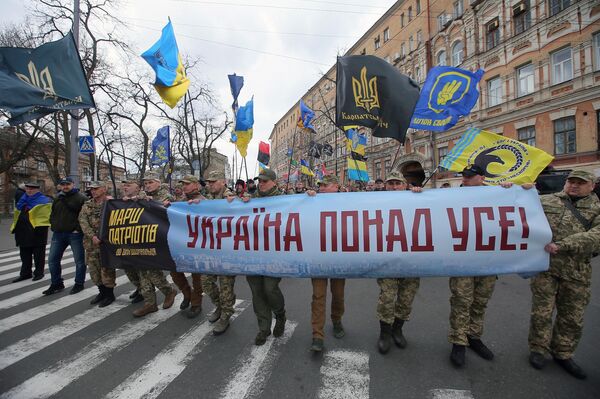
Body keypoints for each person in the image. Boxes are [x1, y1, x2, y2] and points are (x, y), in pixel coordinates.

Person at [528, 169, 600, 379]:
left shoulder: (596, 208)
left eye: (580, 182)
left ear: (592, 185)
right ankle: (538, 349)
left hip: (577, 271)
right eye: (571, 181)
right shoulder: (547, 200)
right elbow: (519, 210)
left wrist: (562, 245)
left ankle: (563, 353)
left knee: (572, 316)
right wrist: (521, 190)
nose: (574, 185)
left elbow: (596, 236)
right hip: (546, 268)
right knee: (541, 312)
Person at [447, 164, 521, 367]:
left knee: (480, 302)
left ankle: (474, 337)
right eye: (463, 177)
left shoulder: (498, 193)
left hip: (488, 261)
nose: (464, 180)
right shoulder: (452, 196)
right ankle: (458, 342)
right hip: (463, 260)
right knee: (461, 301)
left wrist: (516, 189)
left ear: (481, 178)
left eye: (469, 177)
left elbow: (524, 201)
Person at [376, 171, 423, 354]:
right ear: (386, 186)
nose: (394, 187)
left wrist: (421, 193)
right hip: (388, 260)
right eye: (391, 184)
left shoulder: (416, 199)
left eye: (398, 183)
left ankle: (398, 330)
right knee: (387, 299)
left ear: (405, 185)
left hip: (412, 261)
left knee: (406, 299)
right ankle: (384, 333)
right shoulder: (376, 203)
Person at [241, 168, 287, 345]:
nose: (261, 184)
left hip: (274, 253)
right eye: (259, 181)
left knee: (270, 288)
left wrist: (309, 194)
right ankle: (263, 328)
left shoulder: (286, 198)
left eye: (265, 181)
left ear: (274, 182)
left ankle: (280, 314)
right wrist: (234, 199)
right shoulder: (250, 200)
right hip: (252, 253)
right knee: (257, 291)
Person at [305, 175, 346, 352]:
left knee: (338, 294)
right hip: (319, 257)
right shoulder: (312, 201)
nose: (321, 188)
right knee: (318, 296)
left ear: (336, 187)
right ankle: (317, 335)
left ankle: (337, 320)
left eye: (325, 185)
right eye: (320, 185)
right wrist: (305, 197)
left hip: (339, 257)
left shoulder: (348, 202)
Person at [194, 170, 237, 334]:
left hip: (227, 250)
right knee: (206, 282)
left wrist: (237, 202)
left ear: (223, 181)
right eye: (208, 182)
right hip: (210, 249)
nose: (210, 184)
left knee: (225, 285)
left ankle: (226, 315)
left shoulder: (231, 197)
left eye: (213, 181)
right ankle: (219, 307)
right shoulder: (208, 199)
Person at [133, 171, 178, 317]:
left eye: (150, 182)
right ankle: (150, 303)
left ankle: (168, 290)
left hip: (159, 238)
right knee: (142, 270)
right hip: (144, 237)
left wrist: (153, 202)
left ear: (158, 182)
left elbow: (168, 211)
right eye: (145, 183)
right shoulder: (143, 196)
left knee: (151, 269)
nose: (147, 186)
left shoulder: (166, 196)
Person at [164, 175, 205, 318]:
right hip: (180, 243)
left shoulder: (204, 202)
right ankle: (186, 293)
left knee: (197, 277)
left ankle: (196, 303)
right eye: (183, 184)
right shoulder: (179, 202)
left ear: (196, 185)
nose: (184, 186)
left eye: (187, 184)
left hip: (197, 245)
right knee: (174, 271)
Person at [43, 177, 88, 295]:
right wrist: (53, 225)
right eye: (63, 184)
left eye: (67, 184)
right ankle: (56, 283)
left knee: (79, 261)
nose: (65, 186)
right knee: (52, 260)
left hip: (74, 235)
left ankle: (79, 283)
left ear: (73, 184)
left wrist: (78, 229)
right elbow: (53, 213)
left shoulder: (81, 198)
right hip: (58, 234)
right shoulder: (58, 197)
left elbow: (85, 216)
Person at [79, 181, 117, 307]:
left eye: (96, 188)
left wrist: (103, 236)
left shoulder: (111, 204)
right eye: (91, 189)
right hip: (91, 244)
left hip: (106, 243)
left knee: (107, 269)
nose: (93, 191)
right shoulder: (87, 205)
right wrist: (93, 236)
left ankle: (109, 294)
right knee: (94, 270)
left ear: (104, 189)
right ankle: (101, 292)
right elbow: (83, 221)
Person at [10, 182, 50, 282]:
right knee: (24, 254)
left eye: (32, 189)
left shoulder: (43, 201)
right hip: (22, 231)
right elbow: (17, 214)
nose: (29, 191)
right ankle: (25, 273)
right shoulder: (22, 200)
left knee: (38, 255)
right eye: (28, 189)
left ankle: (39, 273)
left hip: (37, 232)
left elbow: (46, 217)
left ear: (37, 190)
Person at [119, 177, 144, 304]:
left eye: (129, 185)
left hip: (141, 242)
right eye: (125, 185)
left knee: (141, 270)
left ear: (137, 187)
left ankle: (144, 292)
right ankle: (139, 288)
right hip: (126, 240)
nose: (125, 187)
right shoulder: (121, 201)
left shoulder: (144, 198)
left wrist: (139, 199)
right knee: (128, 268)